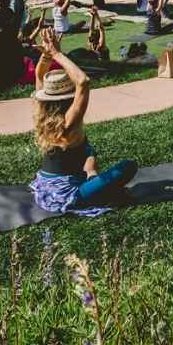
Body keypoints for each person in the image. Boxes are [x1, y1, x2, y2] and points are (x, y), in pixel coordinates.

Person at [29, 28, 138, 214]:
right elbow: (83, 81)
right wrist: (57, 54)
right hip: (68, 193)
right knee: (128, 167)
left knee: (89, 152)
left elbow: (39, 76)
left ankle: (91, 174)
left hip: (46, 184)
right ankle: (93, 181)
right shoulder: (68, 123)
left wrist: (47, 55)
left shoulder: (42, 113)